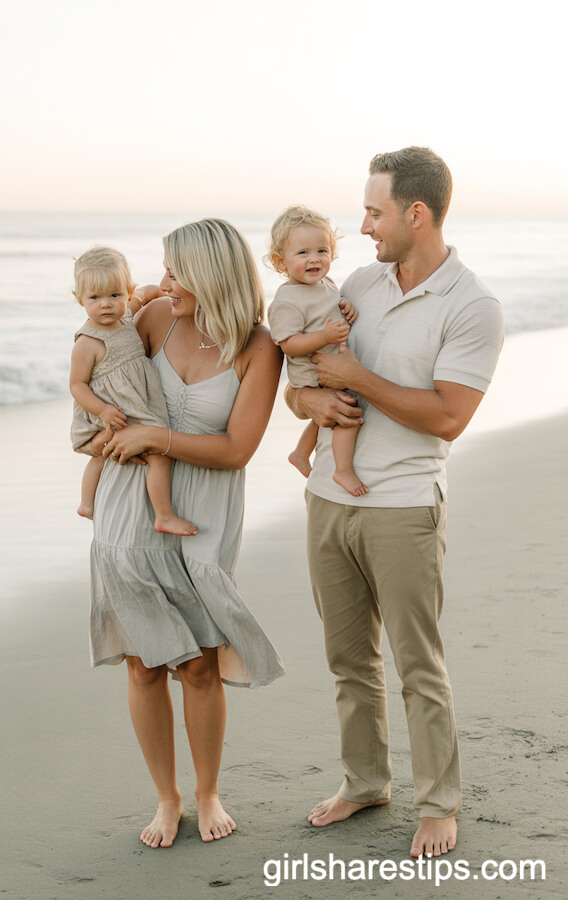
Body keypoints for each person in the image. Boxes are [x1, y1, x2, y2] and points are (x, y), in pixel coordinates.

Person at [286, 147, 504, 858]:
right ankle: (365, 782)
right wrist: (314, 394)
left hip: (405, 508)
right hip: (327, 499)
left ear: (416, 213)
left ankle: (438, 802)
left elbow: (448, 416)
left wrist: (356, 376)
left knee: (417, 664)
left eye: (375, 212)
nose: (364, 224)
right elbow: (304, 379)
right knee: (348, 658)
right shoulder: (356, 280)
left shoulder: (473, 305)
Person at [92, 219, 285, 848]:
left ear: (209, 274)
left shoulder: (258, 347)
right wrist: (103, 432)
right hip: (132, 508)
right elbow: (95, 365)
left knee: (200, 665)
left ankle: (206, 792)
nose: (164, 281)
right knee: (146, 665)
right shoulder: (154, 321)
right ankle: (167, 800)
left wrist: (156, 436)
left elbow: (237, 449)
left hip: (204, 515)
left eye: (176, 272)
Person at [70, 245, 197, 535]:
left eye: (114, 295)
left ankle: (92, 505)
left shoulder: (126, 316)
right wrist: (102, 411)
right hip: (112, 410)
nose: (105, 304)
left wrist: (157, 293)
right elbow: (76, 385)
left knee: (108, 453)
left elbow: (144, 294)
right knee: (153, 456)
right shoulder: (87, 342)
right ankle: (159, 514)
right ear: (79, 299)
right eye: (95, 297)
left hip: (132, 406)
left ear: (126, 293)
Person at [266, 205, 366, 496]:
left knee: (327, 416)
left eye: (322, 251)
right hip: (313, 372)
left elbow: (332, 305)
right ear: (279, 261)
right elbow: (289, 344)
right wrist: (323, 335)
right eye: (303, 253)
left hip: (333, 365)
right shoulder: (286, 301)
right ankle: (343, 471)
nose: (314, 259)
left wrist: (345, 306)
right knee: (347, 416)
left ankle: (300, 452)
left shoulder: (327, 284)